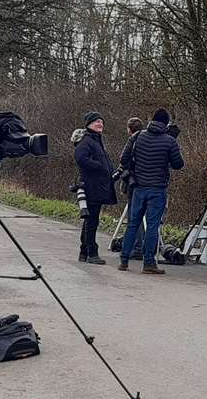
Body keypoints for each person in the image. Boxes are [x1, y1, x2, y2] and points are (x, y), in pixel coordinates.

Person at [118, 108, 183, 274]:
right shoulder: (169, 141)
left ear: (151, 120)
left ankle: (124, 260)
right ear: (166, 123)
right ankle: (148, 263)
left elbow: (123, 159)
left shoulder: (137, 137)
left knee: (133, 224)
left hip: (138, 187)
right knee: (152, 226)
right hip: (158, 189)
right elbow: (178, 164)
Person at [74, 112, 116, 264]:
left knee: (90, 221)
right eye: (96, 122)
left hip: (98, 186)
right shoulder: (86, 141)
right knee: (92, 221)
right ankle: (92, 253)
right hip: (91, 186)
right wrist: (99, 167)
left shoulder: (96, 141)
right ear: (89, 124)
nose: (100, 124)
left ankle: (84, 252)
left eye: (101, 122)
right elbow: (81, 159)